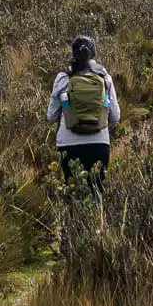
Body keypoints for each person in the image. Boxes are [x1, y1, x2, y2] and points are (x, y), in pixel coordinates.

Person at [47, 35, 120, 190]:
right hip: (99, 143)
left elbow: (51, 116)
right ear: (93, 55)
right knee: (97, 193)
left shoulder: (63, 78)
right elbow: (115, 116)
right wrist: (100, 125)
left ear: (73, 55)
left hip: (68, 144)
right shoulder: (105, 78)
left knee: (73, 194)